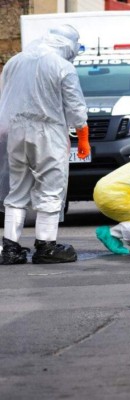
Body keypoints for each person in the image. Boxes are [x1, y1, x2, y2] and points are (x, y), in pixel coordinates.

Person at [0, 25, 90, 265]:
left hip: (15, 132)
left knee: (17, 189)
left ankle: (10, 247)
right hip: (48, 133)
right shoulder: (62, 66)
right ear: (68, 45)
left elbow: (6, 99)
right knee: (51, 187)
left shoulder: (14, 62)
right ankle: (46, 246)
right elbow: (76, 107)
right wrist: (83, 138)